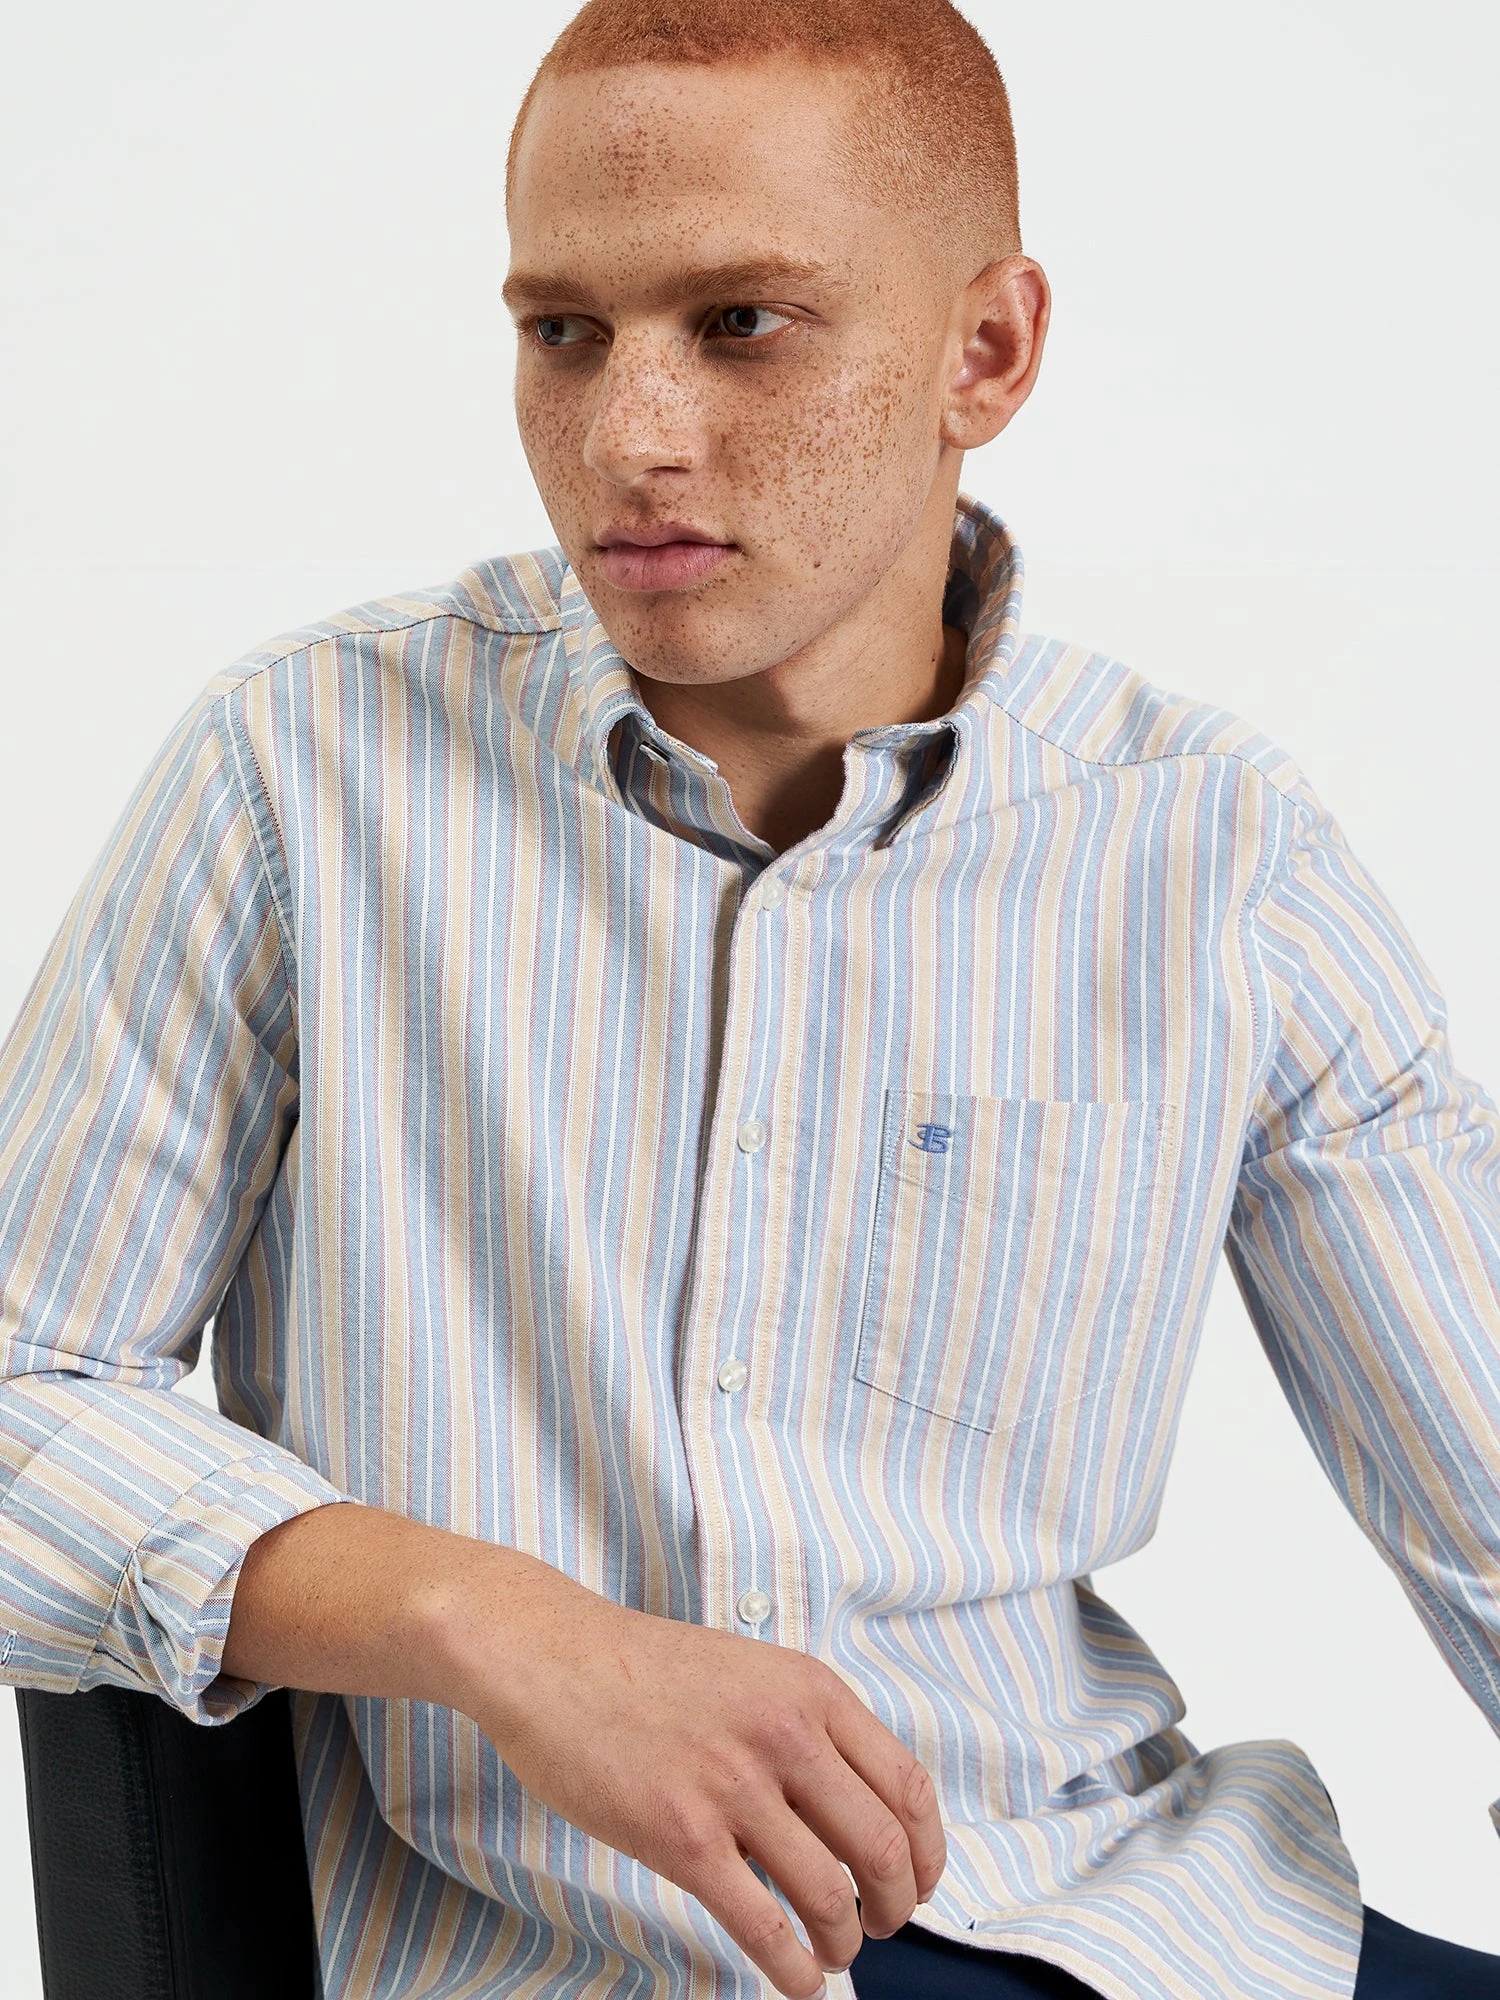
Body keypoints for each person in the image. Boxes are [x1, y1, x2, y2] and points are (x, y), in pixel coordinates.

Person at [1, 1, 1497, 1995]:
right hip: (576, 1949)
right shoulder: (301, 774)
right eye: (563, 331)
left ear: (988, 352)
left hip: (1135, 1921)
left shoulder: (1214, 851)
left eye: (743, 324)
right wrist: (497, 1625)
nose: (630, 436)